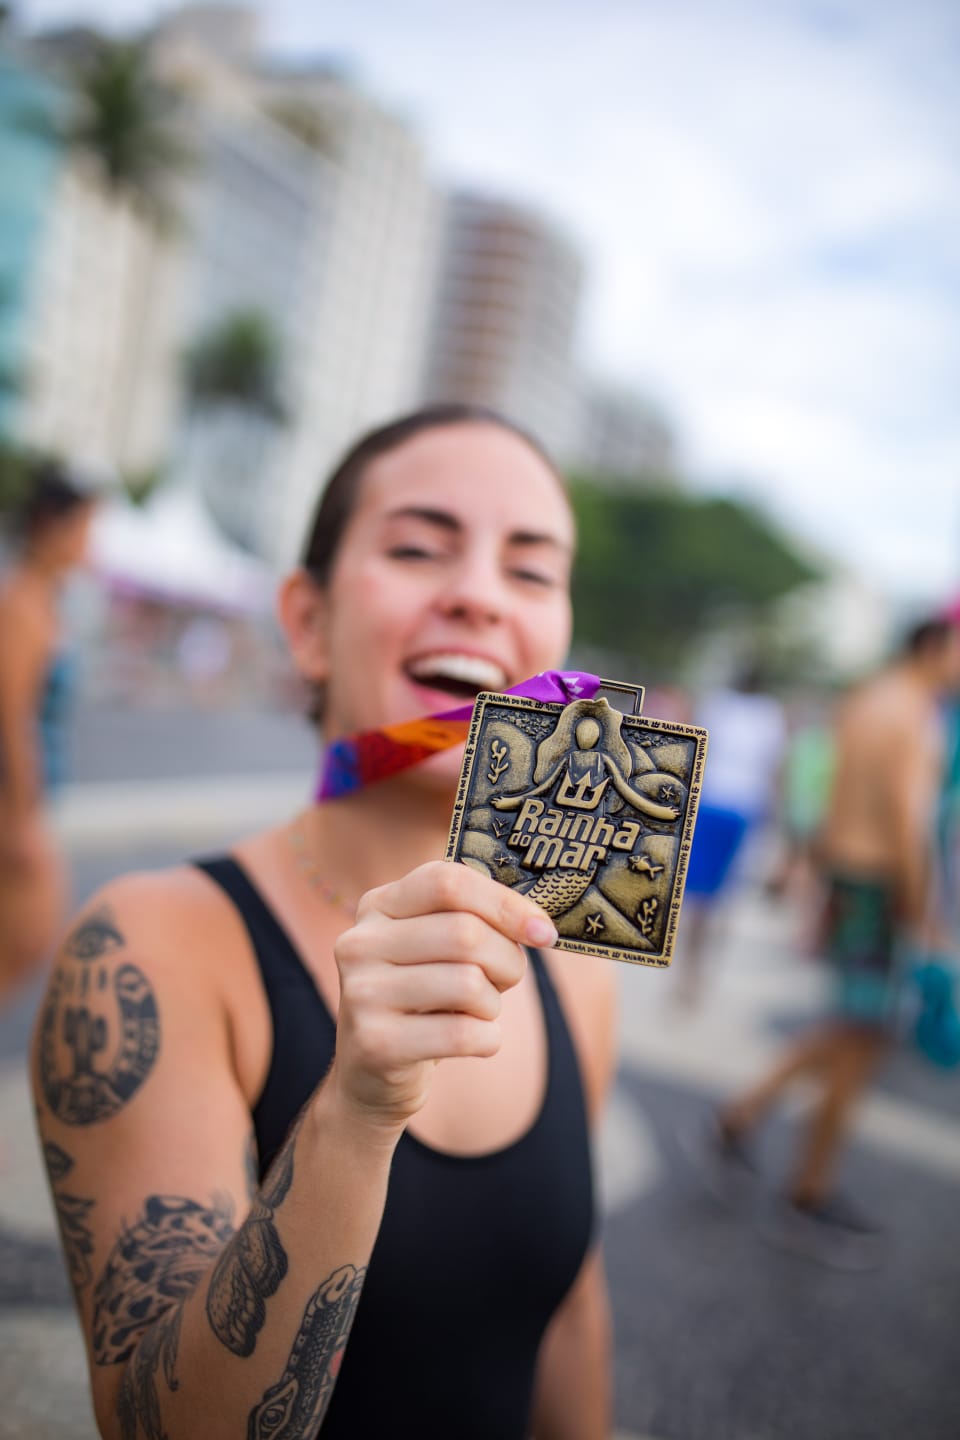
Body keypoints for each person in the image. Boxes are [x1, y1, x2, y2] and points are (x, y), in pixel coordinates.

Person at [32, 406, 617, 1440]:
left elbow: (567, 1317)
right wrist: (355, 1112)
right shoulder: (151, 948)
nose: (480, 595)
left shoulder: (574, 969)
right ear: (306, 621)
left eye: (530, 571)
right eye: (418, 549)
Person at [702, 616, 960, 1268]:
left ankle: (761, 1139)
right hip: (880, 893)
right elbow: (908, 824)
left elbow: (831, 798)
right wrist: (925, 917)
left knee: (853, 1036)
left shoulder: (870, 698)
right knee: (857, 1036)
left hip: (852, 882)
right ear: (936, 644)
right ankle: (801, 1185)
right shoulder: (914, 713)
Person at [0, 461, 95, 999]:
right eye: (84, 528)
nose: (89, 544)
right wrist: (21, 816)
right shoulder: (21, 603)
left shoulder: (44, 601)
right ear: (52, 525)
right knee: (28, 936)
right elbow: (13, 719)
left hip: (27, 801)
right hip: (13, 802)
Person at [677, 665, 786, 1003]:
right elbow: (775, 772)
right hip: (740, 809)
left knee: (698, 896)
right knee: (719, 898)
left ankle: (691, 971)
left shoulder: (718, 704)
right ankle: (700, 972)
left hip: (710, 804)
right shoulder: (770, 715)